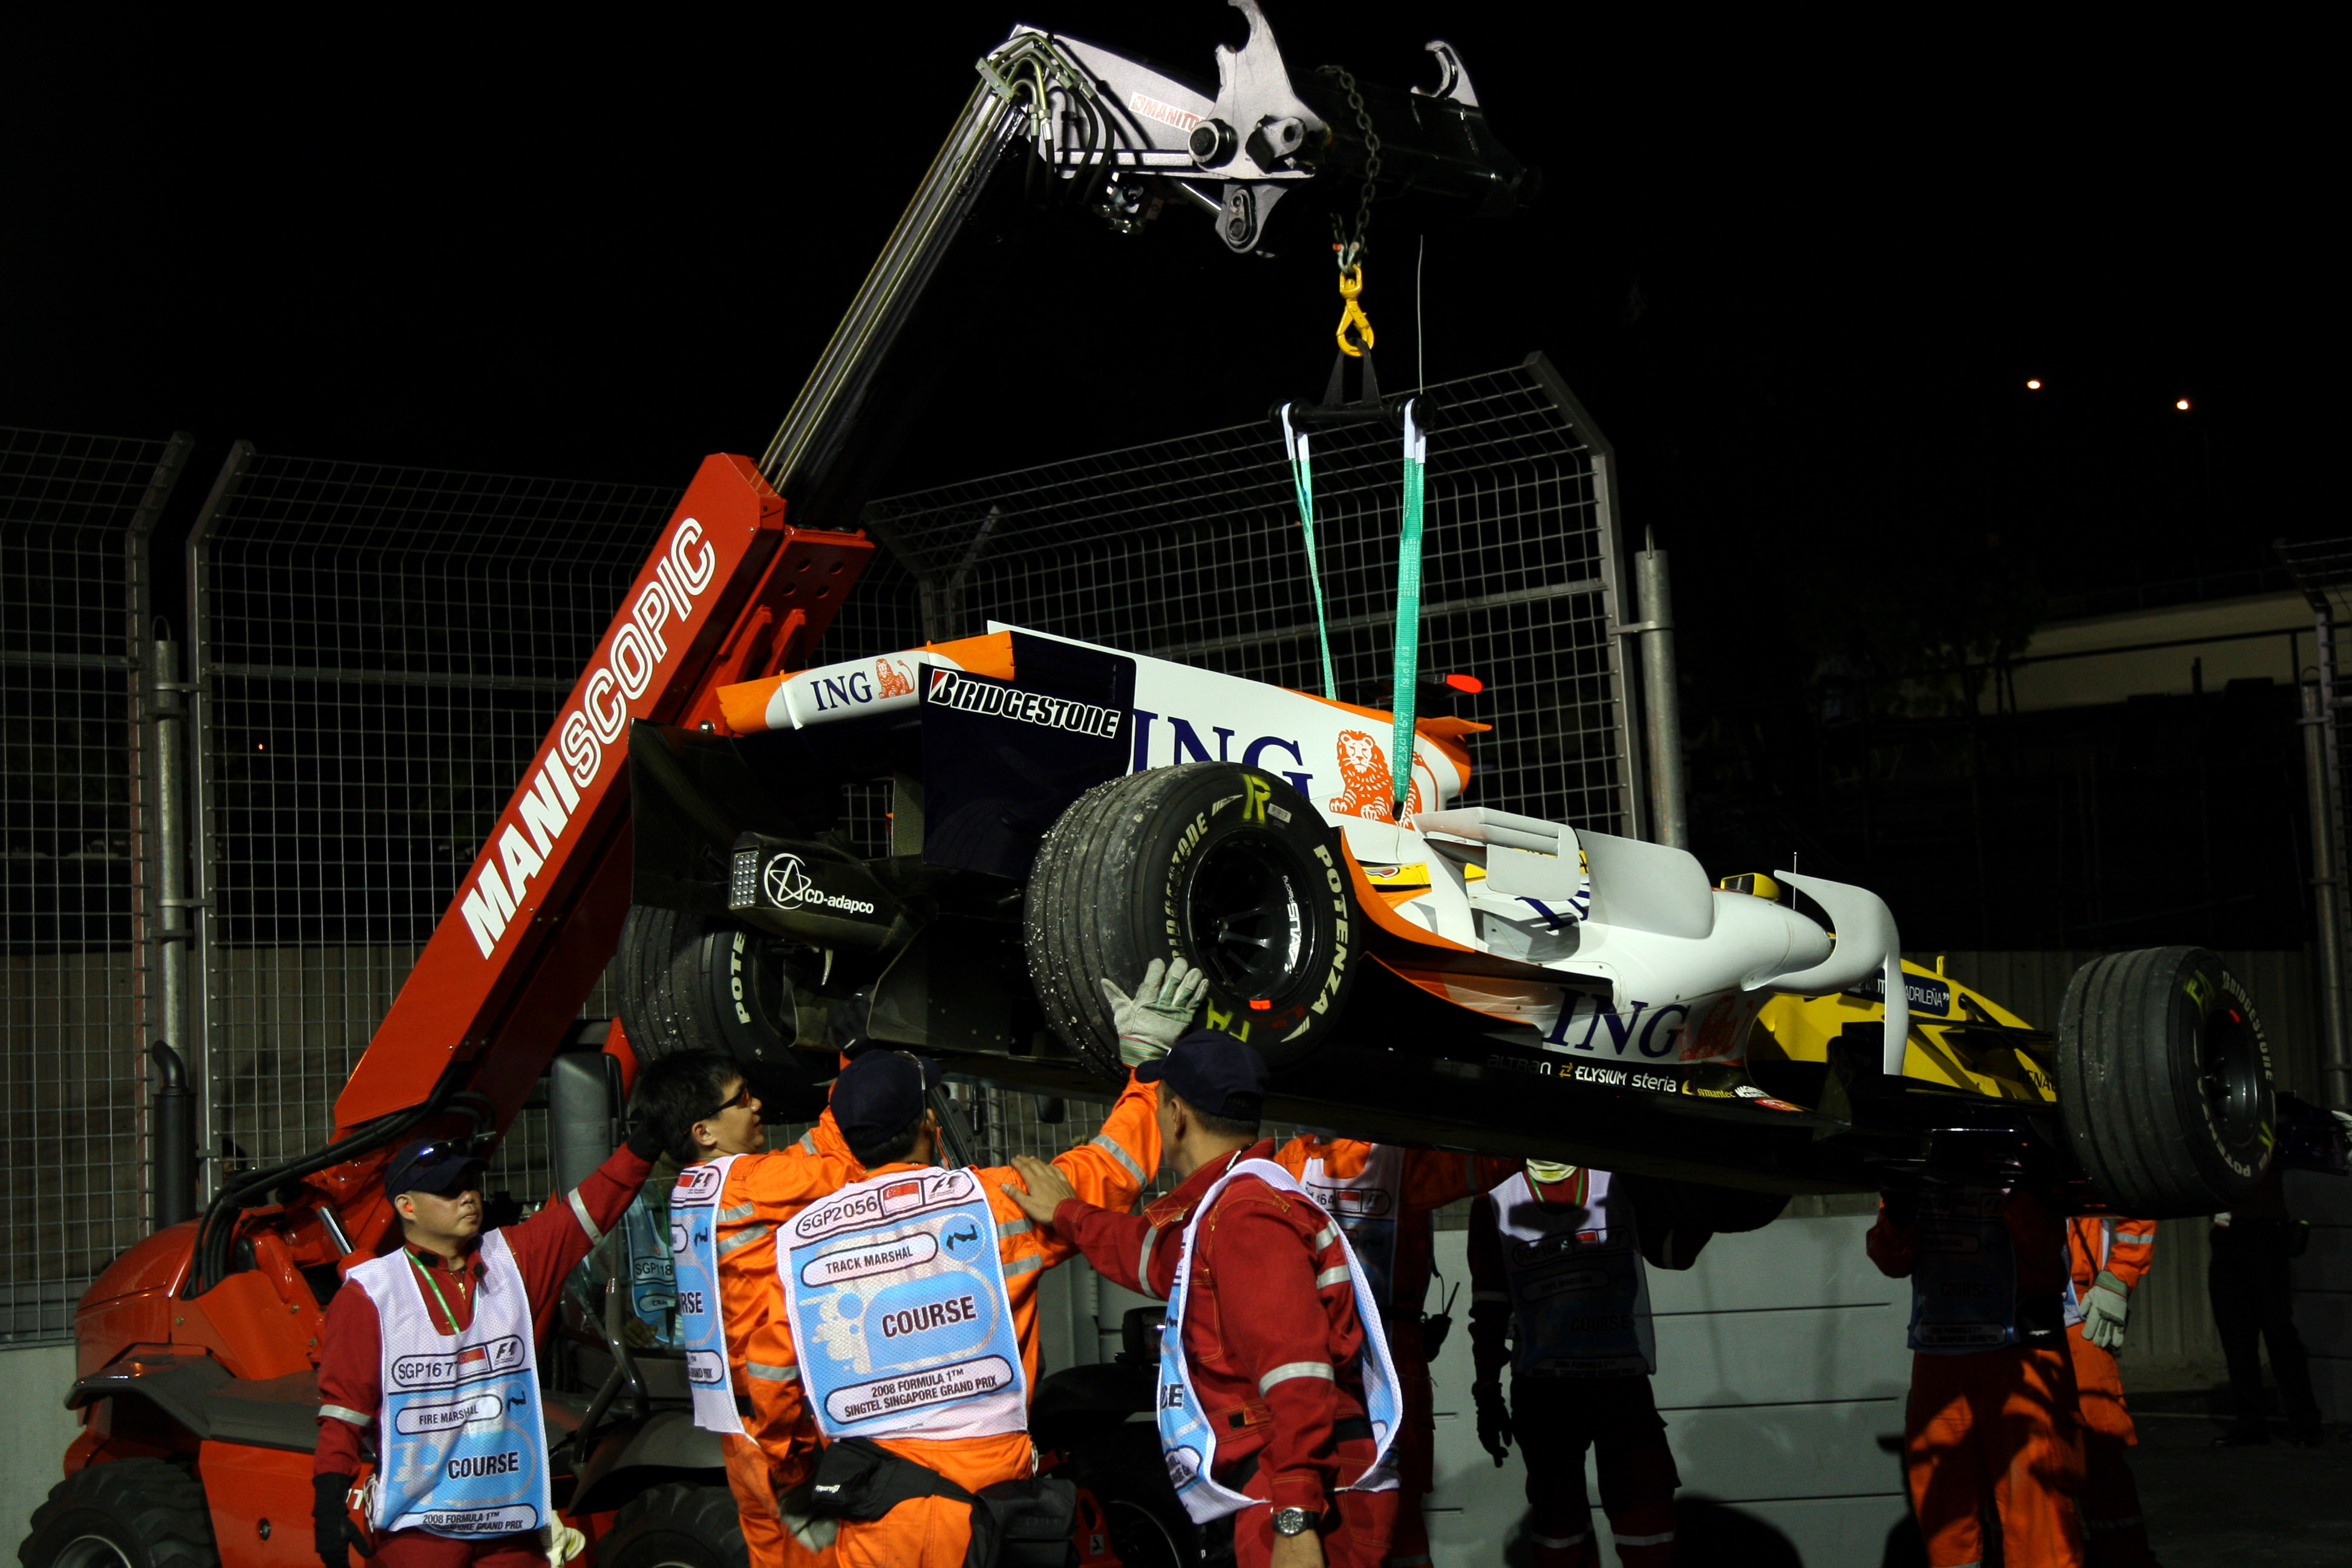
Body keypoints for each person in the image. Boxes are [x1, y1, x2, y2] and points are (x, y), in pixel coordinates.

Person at [1004, 1029, 1405, 1568]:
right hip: (1285, 1485)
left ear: (1174, 1114)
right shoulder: (1226, 1211)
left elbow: (1296, 1373)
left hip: (1301, 1497)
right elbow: (1151, 1254)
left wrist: (1295, 1516)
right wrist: (1070, 1214)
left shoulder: (1246, 1218)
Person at [781, 1048, 1161, 1568]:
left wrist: (794, 1480)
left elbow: (776, 1372)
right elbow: (1112, 1170)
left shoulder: (801, 1240)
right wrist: (1147, 1074)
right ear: (931, 1124)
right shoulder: (991, 1203)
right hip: (985, 1509)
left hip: (874, 1513)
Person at [312, 1122, 661, 1568]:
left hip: (511, 1529)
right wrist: (328, 1505)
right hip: (417, 1532)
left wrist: (643, 1146)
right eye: (447, 1190)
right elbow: (344, 1412)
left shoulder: (513, 1258)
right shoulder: (371, 1294)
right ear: (407, 1207)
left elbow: (588, 1210)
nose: (468, 1197)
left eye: (469, 1184)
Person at [636, 1051, 863, 1568]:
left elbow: (805, 1161)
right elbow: (844, 1166)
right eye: (739, 1100)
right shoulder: (750, 1184)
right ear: (704, 1131)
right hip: (782, 1427)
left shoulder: (694, 1189)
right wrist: (856, 1068)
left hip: (738, 1434)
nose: (756, 1104)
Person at [1271, 1136, 1515, 1568]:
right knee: (1398, 1521)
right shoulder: (1404, 1161)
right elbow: (1496, 1160)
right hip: (1382, 1363)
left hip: (1321, 1363)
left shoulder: (1292, 1163)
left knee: (1326, 1504)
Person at [1465, 1161, 1694, 1568]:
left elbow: (1675, 1252)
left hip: (1619, 1383)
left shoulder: (1620, 1186)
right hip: (1547, 1390)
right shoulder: (1494, 1205)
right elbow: (1489, 1309)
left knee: (1648, 1527)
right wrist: (1487, 1394)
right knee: (1560, 1534)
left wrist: (1711, 1198)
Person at [1868, 1153, 2085, 1568]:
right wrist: (1898, 1213)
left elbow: (2044, 1248)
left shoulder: (2028, 1163)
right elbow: (1892, 1261)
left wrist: (2011, 1190)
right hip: (1943, 1360)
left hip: (2021, 1356)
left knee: (2038, 1514)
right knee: (1945, 1516)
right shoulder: (1916, 1163)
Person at [2063, 1214, 2158, 1566]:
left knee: (2098, 1446)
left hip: (2075, 1308)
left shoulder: (2080, 1160)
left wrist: (2117, 1278)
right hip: (1997, 1312)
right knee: (2020, 1454)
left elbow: (2138, 1205)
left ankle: (2126, 1558)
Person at [2207, 1162, 2325, 1446]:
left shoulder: (2262, 1137)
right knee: (2238, 1338)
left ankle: (2305, 1424)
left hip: (2263, 1234)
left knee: (2279, 1335)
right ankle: (2252, 1424)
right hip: (2230, 1236)